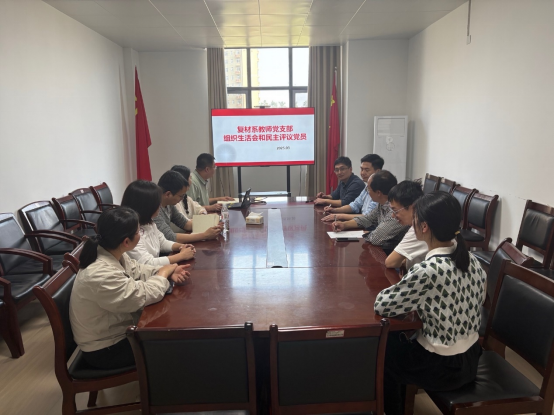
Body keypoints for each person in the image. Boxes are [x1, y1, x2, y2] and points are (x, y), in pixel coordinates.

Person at [374, 192, 486, 415]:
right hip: (471, 358)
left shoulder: (428, 270)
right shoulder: (473, 260)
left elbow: (382, 305)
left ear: (424, 227)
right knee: (397, 341)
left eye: (415, 219)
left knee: (383, 355)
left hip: (442, 367)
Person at [69, 207, 191, 370]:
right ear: (126, 241)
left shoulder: (110, 251)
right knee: (178, 344)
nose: (141, 233)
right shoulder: (100, 274)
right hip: (106, 349)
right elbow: (140, 297)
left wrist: (167, 271)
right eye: (139, 231)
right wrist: (163, 274)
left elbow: (137, 269)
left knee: (174, 327)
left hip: (117, 332)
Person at [121, 180, 196, 266]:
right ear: (146, 206)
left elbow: (162, 242)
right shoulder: (129, 232)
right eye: (157, 203)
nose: (160, 206)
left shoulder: (148, 221)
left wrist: (181, 246)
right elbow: (148, 263)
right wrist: (181, 256)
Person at [334, 170, 409, 250]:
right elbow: (367, 219)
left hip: (393, 251)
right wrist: (345, 225)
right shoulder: (382, 204)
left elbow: (376, 239)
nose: (367, 192)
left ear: (378, 193)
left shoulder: (395, 211)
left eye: (369, 189)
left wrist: (368, 233)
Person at [154, 171, 222, 243]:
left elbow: (186, 224)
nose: (182, 199)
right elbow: (170, 237)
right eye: (181, 196)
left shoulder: (169, 205)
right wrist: (205, 235)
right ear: (168, 194)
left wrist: (213, 224)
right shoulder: (154, 209)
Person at [322, 154, 384, 222]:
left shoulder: (380, 191)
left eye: (366, 170)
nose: (362, 173)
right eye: (361, 169)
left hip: (369, 225)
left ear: (378, 171)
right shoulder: (367, 187)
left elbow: (368, 217)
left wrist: (339, 216)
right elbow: (355, 205)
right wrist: (334, 210)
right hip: (362, 222)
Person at [384, 181, 427, 270]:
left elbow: (390, 262)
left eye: (395, 211)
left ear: (413, 207)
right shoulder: (424, 219)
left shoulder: (420, 228)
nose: (393, 215)